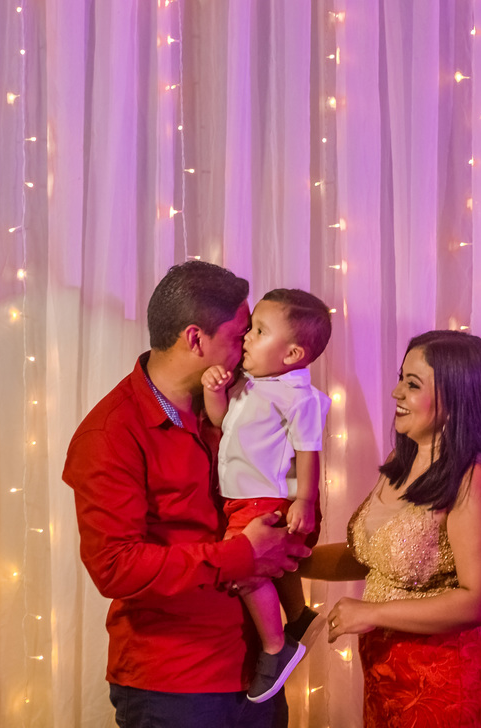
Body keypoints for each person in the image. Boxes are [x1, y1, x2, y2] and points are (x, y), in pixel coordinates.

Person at [63, 260, 310, 728]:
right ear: (195, 339)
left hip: (258, 673)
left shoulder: (241, 404)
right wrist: (241, 555)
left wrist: (292, 524)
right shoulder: (110, 434)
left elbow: (282, 492)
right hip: (174, 683)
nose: (249, 345)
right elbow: (114, 567)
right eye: (240, 334)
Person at [299, 330, 481, 727]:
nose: (396, 393)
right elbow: (372, 558)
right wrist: (291, 561)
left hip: (443, 682)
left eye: (413, 384)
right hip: (385, 675)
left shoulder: (475, 480)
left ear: (455, 399)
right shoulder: (399, 462)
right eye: (401, 378)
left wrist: (373, 613)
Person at [201, 288, 333, 703]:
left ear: (292, 354)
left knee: (242, 568)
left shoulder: (297, 398)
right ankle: (298, 618)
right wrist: (214, 391)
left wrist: (305, 501)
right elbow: (221, 422)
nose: (246, 338)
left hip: (267, 501)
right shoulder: (252, 385)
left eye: (259, 331)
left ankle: (277, 648)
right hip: (240, 500)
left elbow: (309, 452)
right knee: (262, 566)